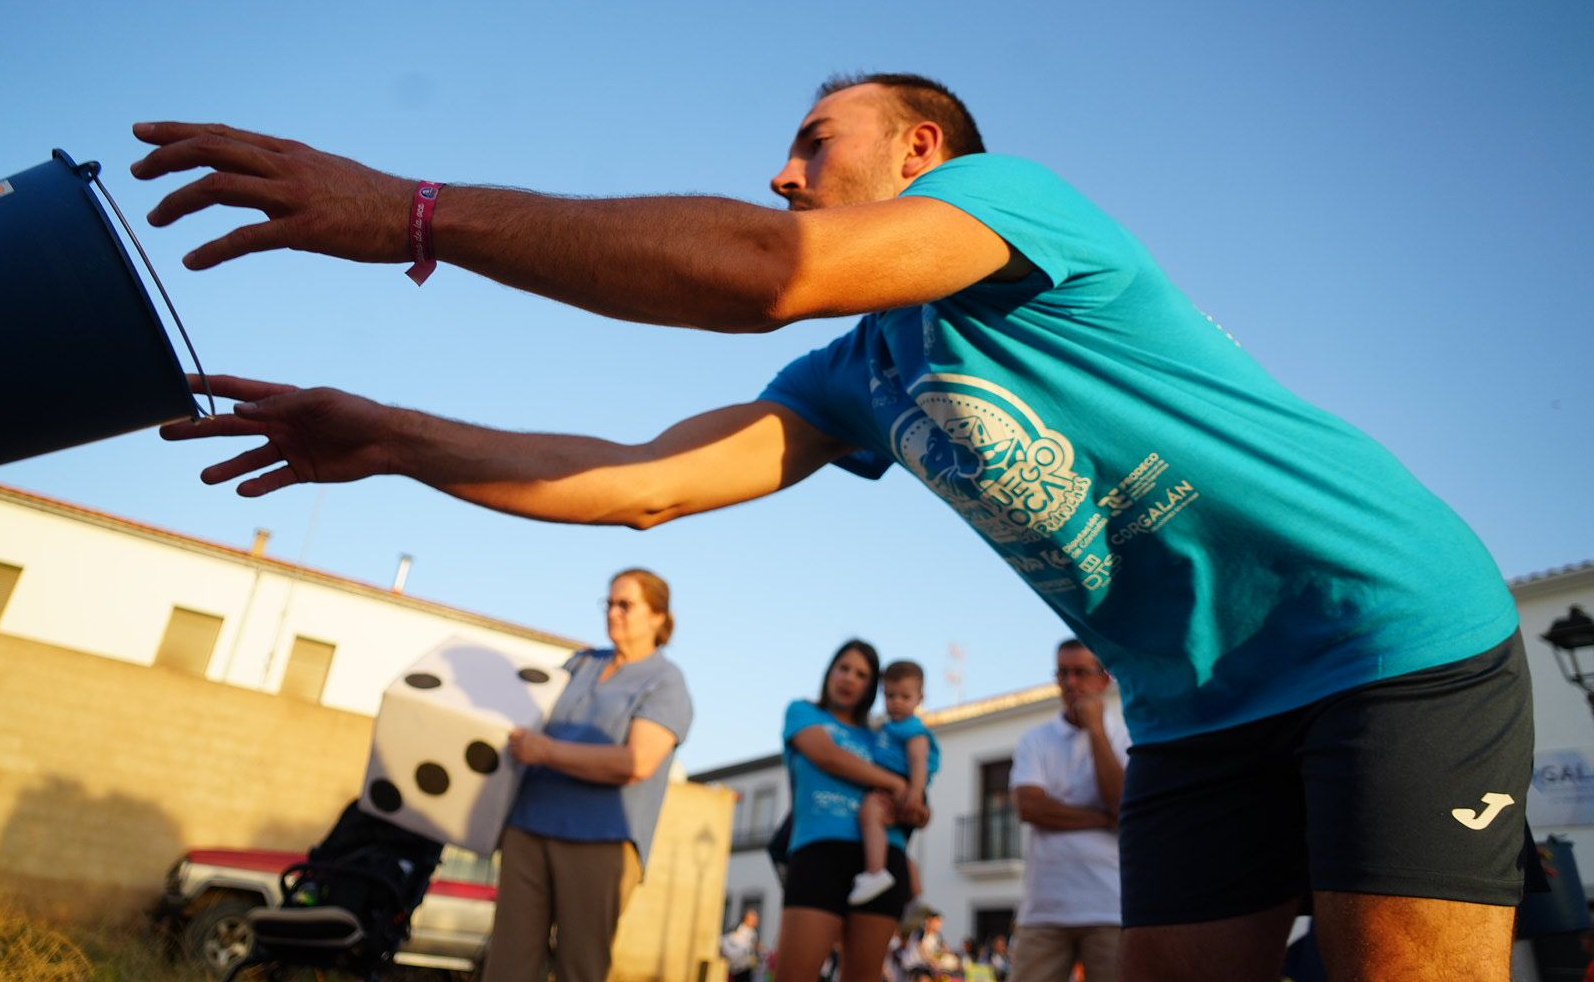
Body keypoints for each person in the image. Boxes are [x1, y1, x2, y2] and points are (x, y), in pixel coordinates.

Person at [139, 72, 1529, 979]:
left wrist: (413, 215)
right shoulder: (857, 378)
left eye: (816, 145)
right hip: (1196, 718)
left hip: (1387, 634)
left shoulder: (1009, 205)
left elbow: (761, 272)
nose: (784, 174)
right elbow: (644, 482)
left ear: (920, 151)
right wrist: (393, 439)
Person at [481, 567, 693, 982]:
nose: (613, 612)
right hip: (529, 826)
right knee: (506, 965)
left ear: (657, 616)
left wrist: (548, 751)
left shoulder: (666, 683)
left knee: (581, 967)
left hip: (600, 840)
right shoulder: (580, 663)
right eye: (609, 603)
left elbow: (636, 763)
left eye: (625, 604)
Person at [778, 640, 923, 982]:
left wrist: (913, 803)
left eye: (861, 674)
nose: (849, 678)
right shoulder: (803, 712)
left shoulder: (883, 735)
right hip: (819, 853)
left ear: (872, 686)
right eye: (843, 668)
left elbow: (917, 803)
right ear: (830, 671)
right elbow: (827, 756)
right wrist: (896, 783)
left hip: (885, 859)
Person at [1007, 640, 1129, 982]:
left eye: (1080, 672)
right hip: (1044, 911)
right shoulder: (1036, 739)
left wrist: (1096, 731)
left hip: (1110, 907)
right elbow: (1030, 806)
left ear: (1105, 680)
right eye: (1062, 673)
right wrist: (1102, 819)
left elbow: (1122, 804)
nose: (1071, 682)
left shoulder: (1125, 738)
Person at [851, 660, 938, 906]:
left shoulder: (912, 730)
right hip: (901, 787)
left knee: (871, 811)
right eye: (890, 695)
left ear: (920, 697)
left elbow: (919, 763)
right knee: (893, 837)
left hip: (907, 786)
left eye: (904, 696)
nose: (896, 702)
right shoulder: (889, 728)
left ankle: (876, 873)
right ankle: (915, 895)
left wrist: (914, 793)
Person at [721, 907, 762, 982]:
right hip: (737, 969)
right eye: (754, 919)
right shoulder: (737, 930)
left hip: (746, 969)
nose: (756, 921)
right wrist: (751, 948)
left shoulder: (753, 933)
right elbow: (729, 947)